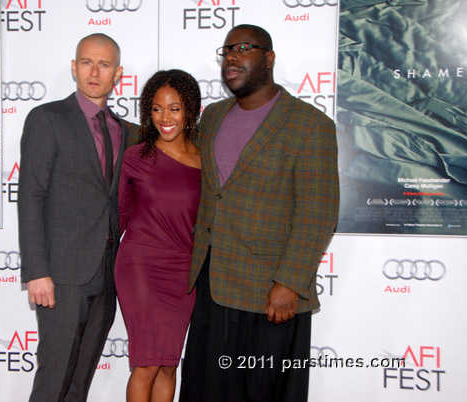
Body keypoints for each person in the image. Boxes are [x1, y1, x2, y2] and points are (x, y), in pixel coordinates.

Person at [179, 24, 340, 402]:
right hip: (213, 285)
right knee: (207, 390)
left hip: (269, 293)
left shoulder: (310, 125)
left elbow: (318, 211)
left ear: (269, 58)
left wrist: (289, 283)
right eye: (227, 50)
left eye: (244, 48)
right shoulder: (214, 117)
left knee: (264, 392)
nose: (232, 56)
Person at [18, 33, 136, 402]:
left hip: (106, 274)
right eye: (87, 62)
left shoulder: (127, 132)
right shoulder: (47, 119)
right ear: (74, 67)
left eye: (104, 64)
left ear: (118, 73)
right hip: (61, 275)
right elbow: (31, 196)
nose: (94, 71)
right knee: (54, 378)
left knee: (79, 382)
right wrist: (37, 271)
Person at [115, 69, 202, 402]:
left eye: (175, 108)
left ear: (190, 111)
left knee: (169, 365)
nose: (165, 118)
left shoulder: (204, 160)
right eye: (156, 108)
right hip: (140, 266)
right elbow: (121, 215)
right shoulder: (135, 158)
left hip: (183, 270)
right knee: (147, 364)